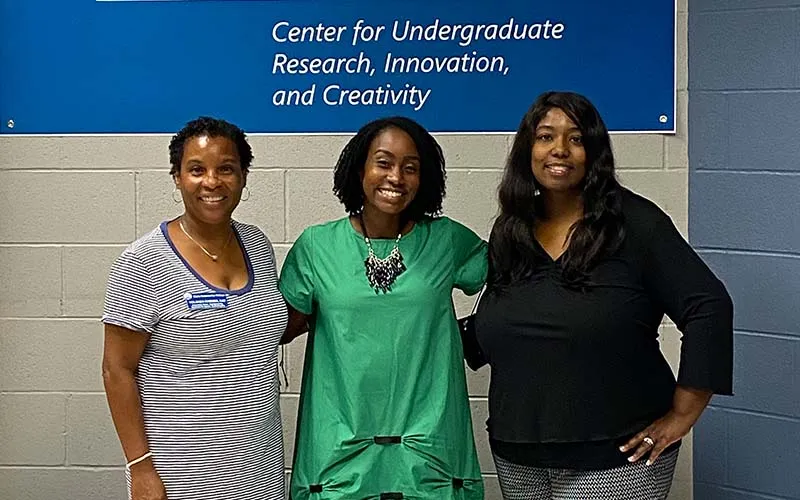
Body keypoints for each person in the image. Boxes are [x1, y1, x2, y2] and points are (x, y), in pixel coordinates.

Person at [474, 91, 734, 499]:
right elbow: (507, 322)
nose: (559, 150)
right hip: (517, 452)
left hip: (614, 457)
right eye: (545, 137)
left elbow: (708, 306)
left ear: (594, 151)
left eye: (576, 139)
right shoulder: (512, 229)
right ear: (528, 148)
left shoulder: (637, 225)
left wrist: (683, 414)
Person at [279, 116, 486, 499]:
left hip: (429, 455)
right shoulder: (317, 246)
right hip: (339, 455)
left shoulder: (446, 241)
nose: (396, 177)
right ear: (360, 169)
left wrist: (479, 335)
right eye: (384, 162)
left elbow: (517, 276)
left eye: (411, 168)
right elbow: (269, 329)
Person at [101, 117, 287, 500]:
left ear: (244, 176)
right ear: (177, 177)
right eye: (197, 170)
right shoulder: (142, 261)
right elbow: (116, 369)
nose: (212, 182)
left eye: (226, 169)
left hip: (260, 468)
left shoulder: (257, 244)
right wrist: (140, 468)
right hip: (181, 474)